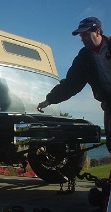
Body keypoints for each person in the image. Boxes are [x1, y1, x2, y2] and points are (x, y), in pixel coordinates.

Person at [37, 17, 111, 154]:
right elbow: (71, 85)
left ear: (98, 32)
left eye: (86, 35)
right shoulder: (84, 58)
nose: (83, 39)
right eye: (81, 36)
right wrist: (50, 99)